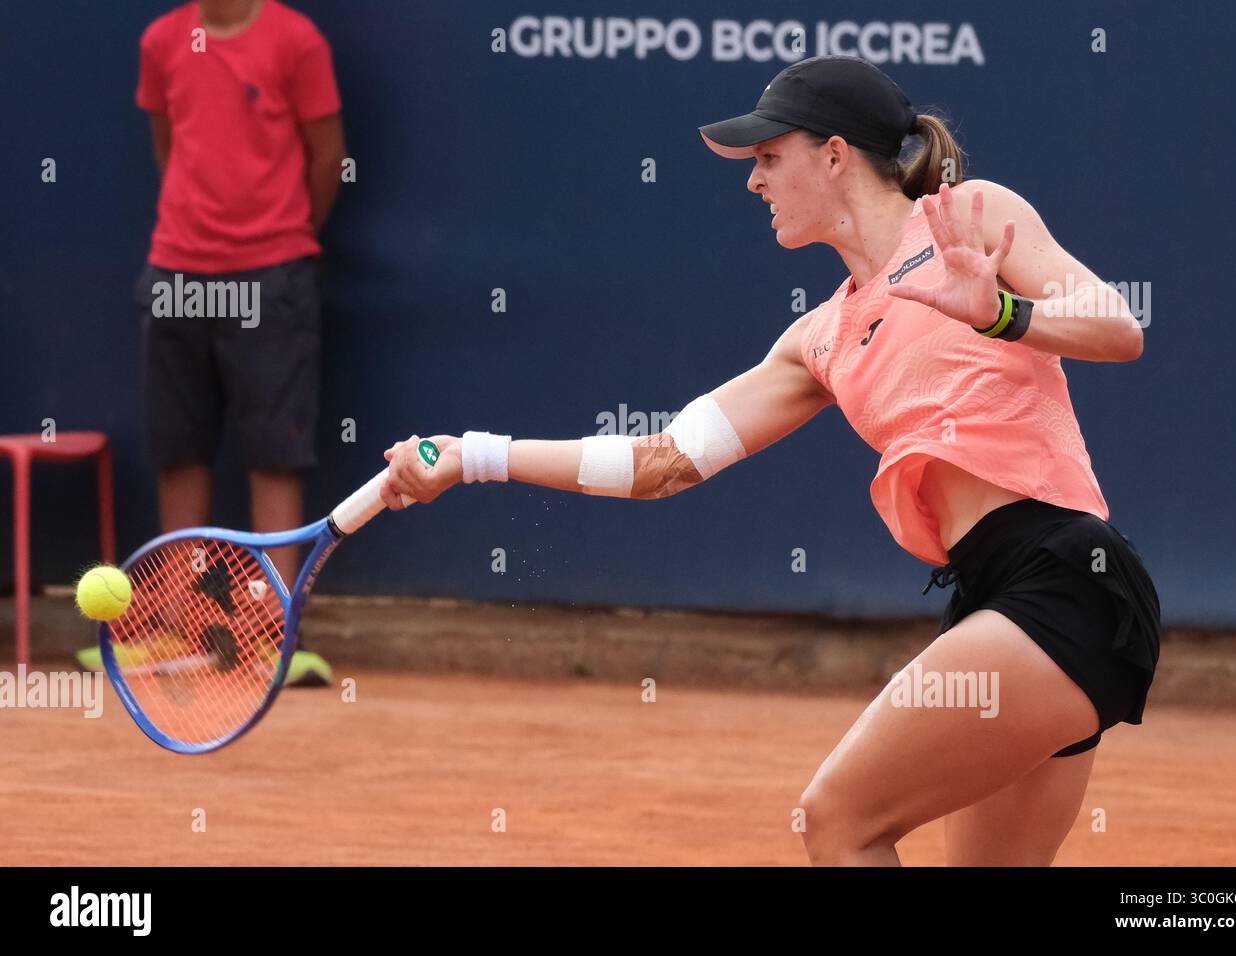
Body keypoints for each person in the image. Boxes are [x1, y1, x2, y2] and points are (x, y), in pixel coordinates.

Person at [377, 55, 1161, 866]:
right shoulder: (816, 340)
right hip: (998, 603)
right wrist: (474, 455)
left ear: (833, 154)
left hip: (1069, 581)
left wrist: (997, 310)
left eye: (766, 158)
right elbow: (663, 461)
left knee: (836, 821)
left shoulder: (969, 216)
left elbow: (1117, 326)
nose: (754, 183)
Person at [77, 0, 346, 686]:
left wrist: (281, 241)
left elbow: (327, 158)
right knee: (180, 451)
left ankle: (275, 635)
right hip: (175, 273)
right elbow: (169, 148)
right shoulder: (163, 41)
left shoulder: (296, 41)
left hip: (273, 273)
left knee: (276, 456)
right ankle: (176, 628)